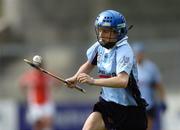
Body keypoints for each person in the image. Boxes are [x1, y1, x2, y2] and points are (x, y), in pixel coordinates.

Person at [66, 10, 147, 130]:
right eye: (100, 30)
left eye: (105, 31)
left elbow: (122, 81)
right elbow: (89, 64)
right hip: (107, 104)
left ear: (117, 32)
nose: (101, 34)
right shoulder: (100, 46)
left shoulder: (124, 51)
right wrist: (75, 78)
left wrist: (93, 81)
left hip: (130, 112)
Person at [132, 43, 167, 130]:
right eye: (136, 53)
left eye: (140, 53)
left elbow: (159, 85)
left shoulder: (151, 67)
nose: (138, 55)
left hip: (149, 103)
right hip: (133, 104)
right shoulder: (129, 67)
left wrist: (163, 100)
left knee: (148, 126)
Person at [19, 57, 57, 130]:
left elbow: (57, 84)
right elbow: (21, 84)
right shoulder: (30, 76)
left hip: (47, 103)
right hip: (35, 104)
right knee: (38, 125)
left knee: (48, 123)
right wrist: (26, 95)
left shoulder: (47, 75)